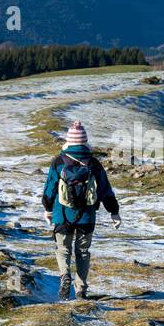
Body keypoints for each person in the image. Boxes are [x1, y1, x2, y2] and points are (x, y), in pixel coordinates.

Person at [42, 121, 121, 300]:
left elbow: (49, 189)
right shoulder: (93, 163)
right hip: (87, 216)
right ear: (85, 141)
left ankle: (65, 277)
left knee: (63, 250)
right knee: (82, 252)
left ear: (68, 141)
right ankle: (81, 290)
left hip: (62, 215)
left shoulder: (58, 162)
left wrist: (48, 209)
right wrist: (114, 212)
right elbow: (104, 190)